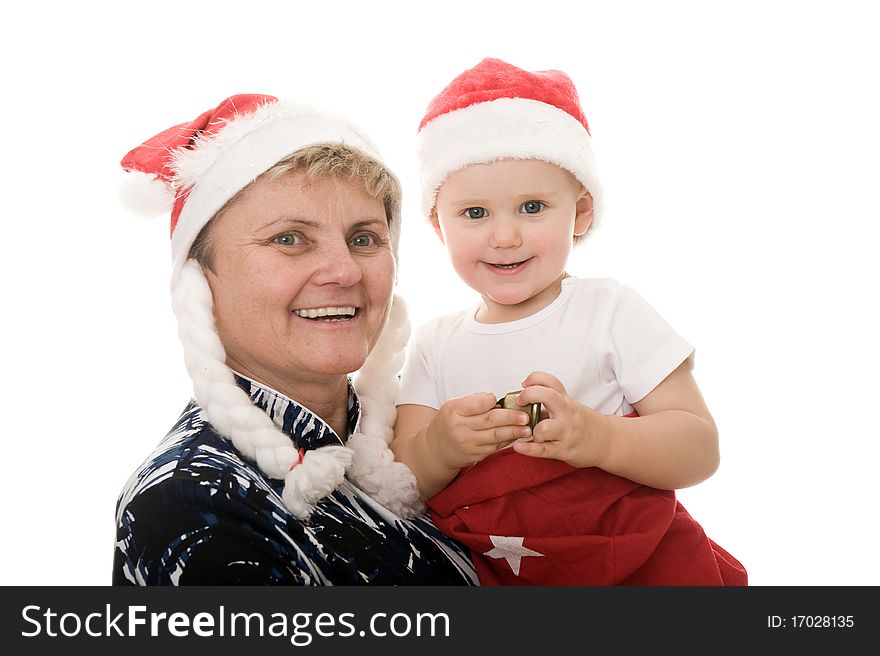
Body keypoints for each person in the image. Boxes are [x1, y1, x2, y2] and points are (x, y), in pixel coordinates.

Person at [389, 58, 747, 585]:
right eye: (474, 213)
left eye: (532, 206)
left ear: (579, 214)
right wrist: (440, 448)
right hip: (503, 574)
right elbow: (401, 479)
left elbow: (699, 449)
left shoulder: (610, 311)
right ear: (437, 225)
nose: (504, 236)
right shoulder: (434, 343)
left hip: (636, 560)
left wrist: (599, 439)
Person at [113, 93, 477, 585]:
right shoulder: (190, 501)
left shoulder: (429, 430)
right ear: (203, 281)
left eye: (364, 238)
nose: (345, 270)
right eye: (288, 239)